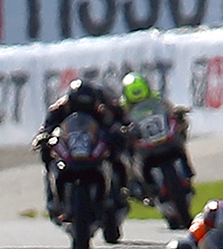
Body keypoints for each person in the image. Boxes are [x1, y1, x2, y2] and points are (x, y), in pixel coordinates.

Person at [31, 77, 131, 220]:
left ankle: (119, 193)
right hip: (71, 148)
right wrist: (43, 136)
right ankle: (54, 200)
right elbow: (48, 125)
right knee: (49, 160)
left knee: (117, 158)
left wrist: (120, 131)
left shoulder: (102, 108)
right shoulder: (61, 106)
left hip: (93, 148)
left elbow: (118, 121)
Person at [119, 70, 193, 197]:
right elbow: (118, 121)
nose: (137, 94)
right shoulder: (122, 106)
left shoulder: (157, 98)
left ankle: (187, 172)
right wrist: (123, 129)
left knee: (180, 140)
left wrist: (177, 114)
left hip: (163, 135)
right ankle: (139, 185)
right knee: (126, 155)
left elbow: (169, 110)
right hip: (142, 141)